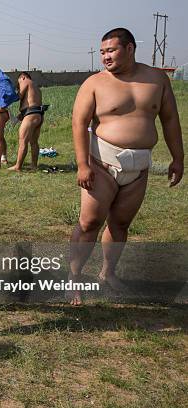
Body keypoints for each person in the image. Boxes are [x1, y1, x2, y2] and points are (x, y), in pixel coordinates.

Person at [68, 27, 184, 305]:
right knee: (89, 222)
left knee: (120, 223)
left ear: (130, 48)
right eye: (102, 52)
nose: (105, 57)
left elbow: (170, 120)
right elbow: (78, 123)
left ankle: (108, 273)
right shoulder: (94, 83)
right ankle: (73, 277)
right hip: (102, 162)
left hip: (139, 165)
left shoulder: (156, 79)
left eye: (111, 50)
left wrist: (178, 158)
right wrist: (83, 164)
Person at [9, 72, 47, 171]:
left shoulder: (25, 81)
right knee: (34, 142)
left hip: (31, 115)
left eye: (18, 82)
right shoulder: (35, 87)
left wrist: (7, 96)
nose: (19, 85)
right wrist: (18, 117)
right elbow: (30, 104)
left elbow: (19, 96)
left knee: (23, 141)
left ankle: (18, 166)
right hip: (38, 114)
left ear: (22, 77)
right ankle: (34, 166)